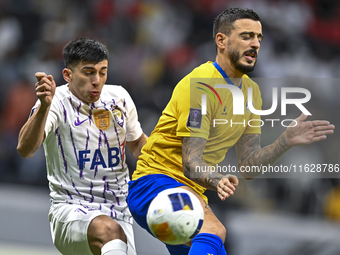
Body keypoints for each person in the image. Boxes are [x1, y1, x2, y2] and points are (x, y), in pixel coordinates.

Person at [126, 7, 335, 255]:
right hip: (154, 185)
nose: (255, 44)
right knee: (214, 230)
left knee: (216, 246)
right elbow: (191, 163)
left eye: (259, 37)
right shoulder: (202, 84)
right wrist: (218, 180)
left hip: (189, 192)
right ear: (221, 41)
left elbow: (249, 165)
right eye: (246, 36)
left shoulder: (251, 93)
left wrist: (285, 141)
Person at [17, 37, 147, 255]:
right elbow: (25, 148)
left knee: (113, 232)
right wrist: (43, 108)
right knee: (109, 231)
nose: (97, 80)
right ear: (68, 75)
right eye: (88, 72)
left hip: (120, 214)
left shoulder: (120, 97)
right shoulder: (55, 100)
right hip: (70, 210)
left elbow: (138, 145)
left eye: (102, 72)